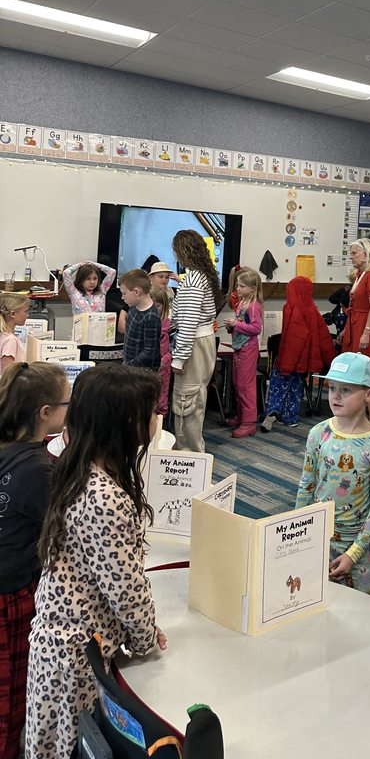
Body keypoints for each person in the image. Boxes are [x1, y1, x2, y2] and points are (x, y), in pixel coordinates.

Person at [26, 364, 166, 759]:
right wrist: (144, 636)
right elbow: (125, 587)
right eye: (149, 411)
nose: (157, 418)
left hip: (65, 646)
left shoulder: (80, 466)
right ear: (123, 422)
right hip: (77, 658)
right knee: (73, 747)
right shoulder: (104, 495)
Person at [0, 362, 69, 759]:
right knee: (10, 701)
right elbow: (68, 532)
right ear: (45, 413)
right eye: (65, 404)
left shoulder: (14, 450)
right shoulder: (38, 470)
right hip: (10, 595)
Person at [296, 353, 370, 595]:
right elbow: (306, 487)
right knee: (316, 600)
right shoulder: (318, 434)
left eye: (346, 389)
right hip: (318, 538)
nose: (336, 396)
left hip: (358, 548)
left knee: (358, 613)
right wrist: (299, 535)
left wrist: (353, 553)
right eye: (332, 388)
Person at [262, 276, 336, 431]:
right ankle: (291, 417)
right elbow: (324, 336)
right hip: (304, 361)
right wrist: (332, 360)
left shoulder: (290, 308)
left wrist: (286, 363)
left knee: (279, 382)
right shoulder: (313, 309)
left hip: (290, 357)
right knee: (296, 386)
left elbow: (292, 339)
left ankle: (274, 410)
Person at [170, 229, 221, 453]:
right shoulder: (203, 275)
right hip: (204, 340)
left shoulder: (192, 280)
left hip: (194, 344)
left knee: (186, 401)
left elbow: (188, 322)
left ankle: (188, 455)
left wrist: (178, 359)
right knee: (196, 397)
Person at [341, 238, 370, 423]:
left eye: (354, 253)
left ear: (366, 254)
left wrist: (366, 331)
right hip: (355, 322)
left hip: (366, 324)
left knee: (366, 371)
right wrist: (345, 329)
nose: (350, 256)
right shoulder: (360, 274)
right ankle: (357, 415)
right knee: (354, 372)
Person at [224, 268, 263, 438]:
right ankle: (241, 417)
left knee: (246, 386)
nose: (237, 289)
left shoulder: (254, 306)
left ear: (252, 288)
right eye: (237, 285)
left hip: (248, 348)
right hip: (239, 347)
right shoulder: (241, 304)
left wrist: (236, 325)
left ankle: (249, 422)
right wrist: (231, 327)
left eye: (241, 286)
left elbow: (255, 328)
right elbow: (241, 325)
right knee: (238, 383)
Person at [120, 269, 161, 369]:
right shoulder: (133, 306)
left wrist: (129, 366)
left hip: (142, 372)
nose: (122, 297)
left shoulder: (151, 317)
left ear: (137, 292)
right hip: (130, 365)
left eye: (124, 293)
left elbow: (149, 351)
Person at [150, 285, 172, 420]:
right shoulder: (145, 321)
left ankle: (160, 428)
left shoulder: (169, 324)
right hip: (147, 366)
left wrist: (166, 360)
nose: (154, 309)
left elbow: (175, 346)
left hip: (163, 366)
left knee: (161, 399)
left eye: (157, 306)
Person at [0, 292, 29, 373]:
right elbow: (6, 372)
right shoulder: (10, 340)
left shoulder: (4, 336)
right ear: (13, 314)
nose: (28, 315)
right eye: (26, 311)